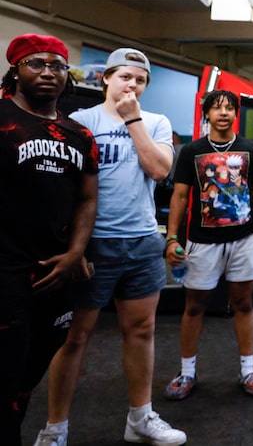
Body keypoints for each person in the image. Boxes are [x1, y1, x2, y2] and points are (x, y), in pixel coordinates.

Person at [35, 47, 186, 446]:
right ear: (106, 79)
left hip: (140, 242)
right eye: (124, 77)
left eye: (139, 79)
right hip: (92, 245)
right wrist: (75, 245)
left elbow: (158, 169)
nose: (131, 84)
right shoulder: (80, 122)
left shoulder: (155, 121)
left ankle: (139, 418)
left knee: (141, 330)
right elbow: (65, 189)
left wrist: (132, 117)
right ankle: (55, 428)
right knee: (74, 337)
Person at [0, 34, 98, 446]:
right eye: (36, 64)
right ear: (16, 71)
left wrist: (76, 251)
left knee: (31, 370)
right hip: (5, 270)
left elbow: (88, 197)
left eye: (57, 66)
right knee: (5, 372)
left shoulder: (77, 134)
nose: (48, 73)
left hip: (56, 272)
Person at [163, 89, 253, 401]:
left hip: (244, 240)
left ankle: (248, 371)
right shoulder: (191, 152)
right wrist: (172, 238)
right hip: (202, 243)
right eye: (217, 108)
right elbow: (180, 196)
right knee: (194, 306)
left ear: (235, 113)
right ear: (207, 114)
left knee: (243, 304)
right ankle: (187, 373)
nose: (224, 113)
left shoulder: (252, 149)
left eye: (229, 108)